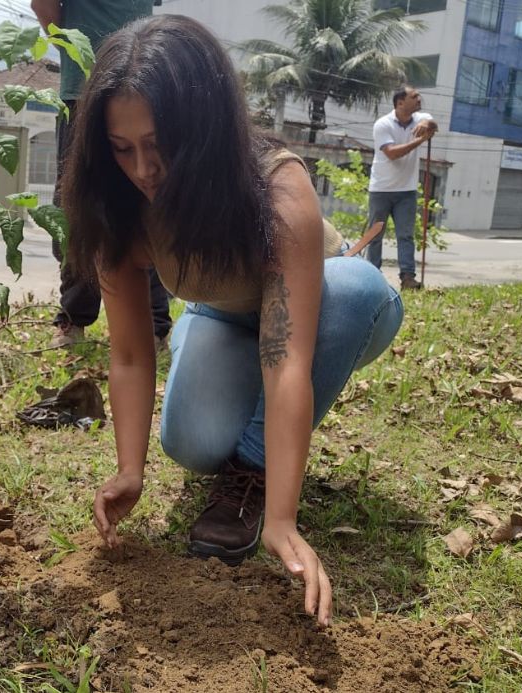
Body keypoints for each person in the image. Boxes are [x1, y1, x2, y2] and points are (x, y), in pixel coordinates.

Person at [63, 15, 405, 626]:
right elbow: (132, 355)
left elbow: (287, 359)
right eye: (122, 148)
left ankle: (250, 468)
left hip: (323, 311)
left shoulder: (276, 188)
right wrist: (130, 470)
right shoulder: (116, 206)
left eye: (160, 143)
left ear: (206, 128)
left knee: (355, 290)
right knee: (191, 443)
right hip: (221, 316)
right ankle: (234, 445)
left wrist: (279, 517)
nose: (144, 169)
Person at [31, 0, 172, 351]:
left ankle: (153, 325)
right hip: (84, 91)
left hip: (142, 90)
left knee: (146, 202)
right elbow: (42, 5)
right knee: (78, 212)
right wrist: (78, 59)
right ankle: (76, 316)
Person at [365, 85, 437, 290]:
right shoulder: (383, 124)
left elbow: (432, 123)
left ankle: (408, 278)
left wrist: (427, 123)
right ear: (400, 102)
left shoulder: (419, 118)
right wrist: (420, 140)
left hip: (407, 190)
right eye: (414, 96)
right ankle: (373, 276)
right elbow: (392, 153)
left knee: (405, 235)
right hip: (381, 189)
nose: (419, 99)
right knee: (375, 235)